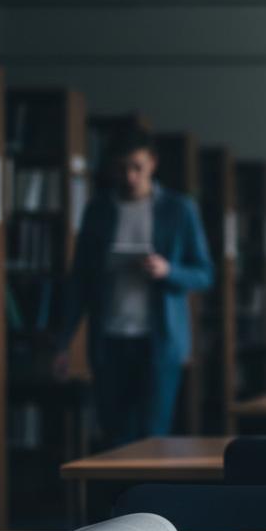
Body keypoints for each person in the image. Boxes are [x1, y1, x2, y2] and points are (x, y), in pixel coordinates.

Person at [54, 128, 213, 449]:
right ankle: (120, 501)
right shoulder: (98, 211)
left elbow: (204, 274)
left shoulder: (179, 209)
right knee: (114, 436)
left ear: (152, 163)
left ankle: (151, 501)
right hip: (109, 341)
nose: (129, 176)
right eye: (121, 168)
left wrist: (168, 270)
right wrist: (63, 342)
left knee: (154, 435)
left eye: (136, 167)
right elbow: (80, 281)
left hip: (159, 341)